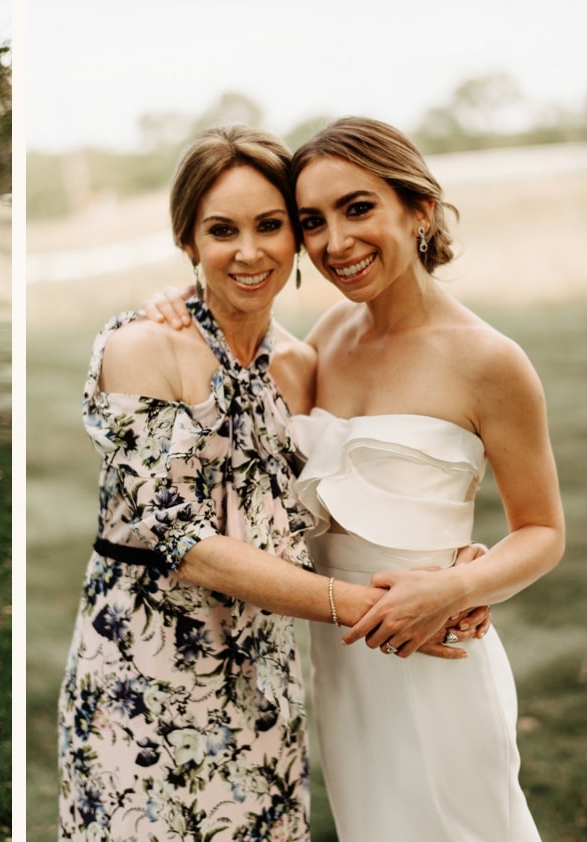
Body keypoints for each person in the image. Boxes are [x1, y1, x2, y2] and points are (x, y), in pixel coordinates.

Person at [55, 125, 488, 841]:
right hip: (139, 680)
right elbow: (185, 544)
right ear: (187, 241)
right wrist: (377, 610)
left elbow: (335, 500)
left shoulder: (299, 365)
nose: (249, 251)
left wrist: (449, 573)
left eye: (271, 225)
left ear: (295, 240)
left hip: (262, 682)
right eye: (221, 229)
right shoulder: (143, 349)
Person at [151, 117, 559, 840]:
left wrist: (463, 583)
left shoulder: (490, 361)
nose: (336, 241)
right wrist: (176, 307)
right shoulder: (323, 343)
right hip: (343, 664)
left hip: (436, 655)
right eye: (313, 220)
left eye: (358, 208)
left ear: (419, 209)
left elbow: (543, 531)